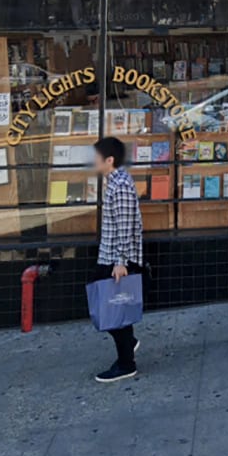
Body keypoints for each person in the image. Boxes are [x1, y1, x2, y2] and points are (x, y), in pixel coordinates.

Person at [91, 135, 143, 383]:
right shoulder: (115, 181)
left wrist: (121, 262)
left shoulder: (120, 185)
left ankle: (126, 363)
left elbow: (125, 225)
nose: (93, 162)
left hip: (116, 258)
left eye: (97, 158)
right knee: (112, 309)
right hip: (110, 255)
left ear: (109, 160)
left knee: (112, 311)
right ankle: (128, 345)